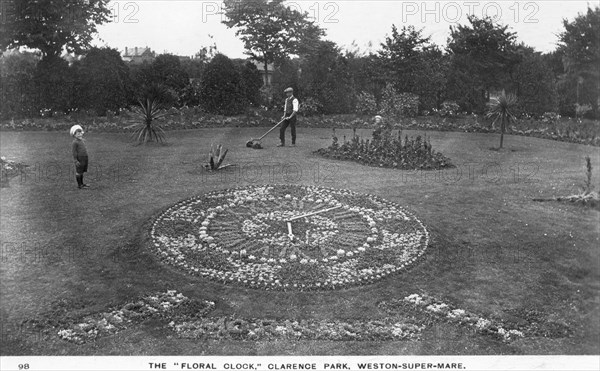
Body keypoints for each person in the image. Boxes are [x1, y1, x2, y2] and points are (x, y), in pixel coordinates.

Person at [70, 125, 90, 189]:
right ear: (74, 135)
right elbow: (74, 152)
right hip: (79, 159)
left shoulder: (82, 140)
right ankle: (79, 185)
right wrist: (76, 160)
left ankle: (82, 183)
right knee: (79, 172)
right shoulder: (75, 143)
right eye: (78, 134)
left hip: (84, 158)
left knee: (82, 171)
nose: (80, 135)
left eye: (80, 133)